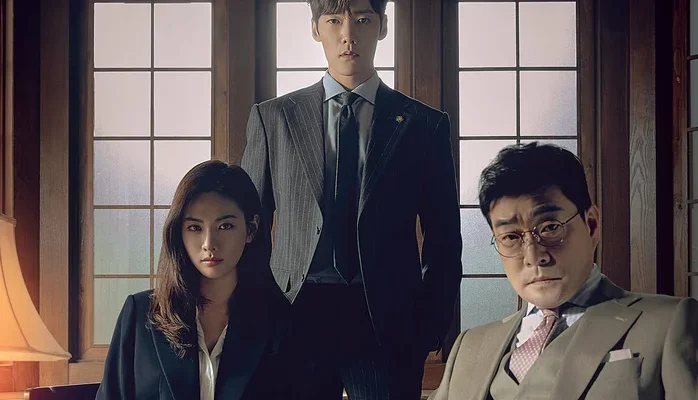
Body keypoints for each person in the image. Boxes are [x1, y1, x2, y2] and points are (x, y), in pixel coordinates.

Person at [241, 0, 462, 398]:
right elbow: (248, 229)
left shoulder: (424, 124)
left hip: (385, 320)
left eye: (362, 20)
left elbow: (444, 238)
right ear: (315, 28)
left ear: (382, 26)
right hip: (294, 315)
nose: (348, 35)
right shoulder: (274, 118)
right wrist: (256, 315)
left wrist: (430, 325)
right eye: (333, 21)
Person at [429, 142, 698, 400]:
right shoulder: (470, 346)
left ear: (591, 225)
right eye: (511, 237)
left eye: (550, 228)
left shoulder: (668, 324)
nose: (534, 257)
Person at [96, 160, 290, 400]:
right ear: (179, 231)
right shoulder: (140, 314)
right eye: (195, 228)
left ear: (251, 229)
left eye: (225, 226)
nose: (209, 244)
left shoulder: (279, 321)